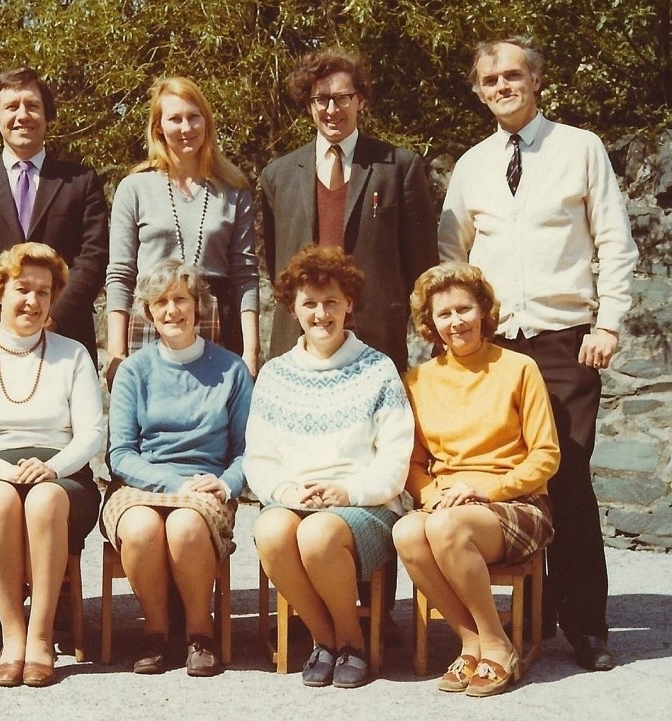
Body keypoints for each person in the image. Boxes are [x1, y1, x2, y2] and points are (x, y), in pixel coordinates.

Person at [439, 36, 639, 672]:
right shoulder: (471, 165)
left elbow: (615, 240)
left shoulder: (581, 149)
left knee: (569, 480)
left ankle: (586, 626)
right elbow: (453, 259)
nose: (503, 86)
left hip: (565, 339)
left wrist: (607, 324)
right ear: (478, 91)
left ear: (536, 80)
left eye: (513, 75)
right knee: (508, 479)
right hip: (497, 348)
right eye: (490, 79)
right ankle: (529, 615)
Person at [246, 246, 414, 689]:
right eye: (310, 304)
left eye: (331, 302)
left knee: (318, 534)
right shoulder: (276, 375)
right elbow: (259, 457)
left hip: (366, 506)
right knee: (271, 531)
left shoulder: (378, 369)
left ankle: (352, 641)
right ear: (293, 308)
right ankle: (324, 640)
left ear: (349, 304)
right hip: (297, 499)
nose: (321, 314)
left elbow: (395, 460)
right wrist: (285, 492)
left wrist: (348, 492)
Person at [393, 262, 559, 697]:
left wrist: (484, 490)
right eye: (443, 315)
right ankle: (471, 640)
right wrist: (431, 495)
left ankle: (498, 644)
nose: (456, 322)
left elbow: (547, 456)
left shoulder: (520, 368)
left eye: (464, 310)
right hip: (448, 507)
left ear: (484, 311)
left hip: (517, 504)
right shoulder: (419, 380)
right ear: (431, 322)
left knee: (446, 527)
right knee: (407, 531)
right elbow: (411, 464)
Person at [0, 242, 104, 688]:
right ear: (0, 293)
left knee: (45, 499)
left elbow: (92, 432)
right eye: (22, 289)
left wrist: (53, 468)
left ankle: (40, 637)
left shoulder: (72, 354)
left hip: (64, 479)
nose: (32, 301)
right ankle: (11, 637)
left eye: (43, 292)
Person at [101, 258, 253, 677]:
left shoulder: (232, 369)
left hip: (207, 485)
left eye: (181, 300)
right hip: (143, 479)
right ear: (149, 312)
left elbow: (248, 451)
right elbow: (121, 454)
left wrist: (225, 484)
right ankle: (154, 633)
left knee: (185, 527)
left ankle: (198, 634)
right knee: (140, 529)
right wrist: (173, 483)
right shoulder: (134, 370)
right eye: (161, 302)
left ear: (197, 306)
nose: (172, 311)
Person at [260, 47, 437, 371]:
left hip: (375, 341)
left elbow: (422, 264)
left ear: (361, 100)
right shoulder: (278, 176)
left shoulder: (398, 167)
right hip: (301, 343)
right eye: (321, 99)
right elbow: (276, 264)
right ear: (308, 104)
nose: (332, 109)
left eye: (342, 97)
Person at [0, 66, 108, 359]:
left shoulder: (80, 182)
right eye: (11, 107)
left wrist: (52, 317)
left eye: (32, 106)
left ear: (48, 116)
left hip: (64, 339)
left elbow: (94, 257)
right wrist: (0, 322)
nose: (22, 115)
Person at [106, 76, 260, 379]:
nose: (186, 128)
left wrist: (252, 352)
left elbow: (245, 274)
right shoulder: (134, 188)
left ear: (206, 122)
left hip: (217, 318)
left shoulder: (234, 189)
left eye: (194, 117)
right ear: (158, 127)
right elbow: (120, 274)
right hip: (154, 316)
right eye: (175, 119)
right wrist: (116, 351)